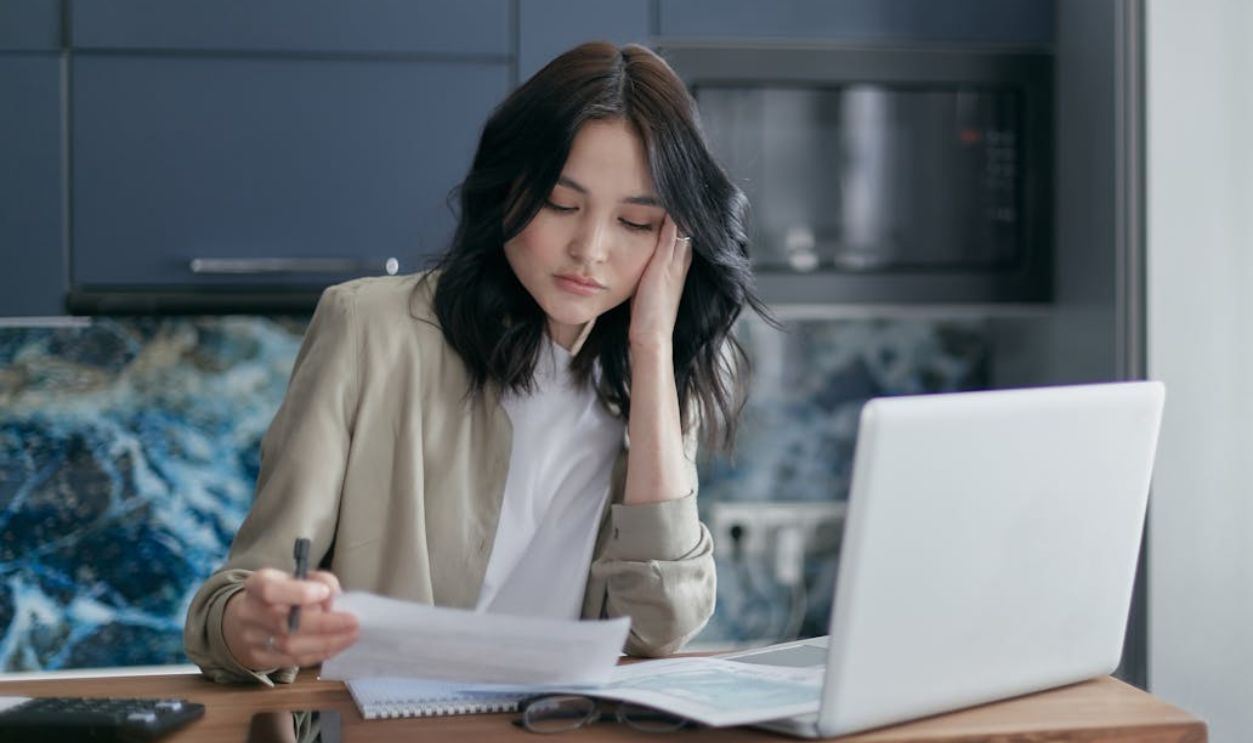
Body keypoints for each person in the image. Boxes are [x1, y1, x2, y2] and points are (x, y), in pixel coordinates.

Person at [184, 41, 765, 685]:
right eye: (560, 205)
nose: (590, 250)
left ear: (675, 241)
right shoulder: (370, 330)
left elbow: (660, 626)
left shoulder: (649, 379)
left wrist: (653, 348)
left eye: (635, 221)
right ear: (507, 189)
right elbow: (230, 602)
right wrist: (256, 625)